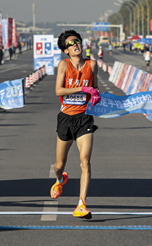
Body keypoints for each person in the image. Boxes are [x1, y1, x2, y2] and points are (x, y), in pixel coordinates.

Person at [51, 30, 100, 220]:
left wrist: (95, 94)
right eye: (71, 44)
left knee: (85, 161)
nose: (76, 45)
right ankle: (59, 179)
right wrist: (82, 88)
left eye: (77, 41)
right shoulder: (63, 65)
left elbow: (96, 88)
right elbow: (58, 90)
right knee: (59, 164)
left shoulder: (92, 65)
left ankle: (81, 204)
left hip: (84, 118)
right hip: (65, 119)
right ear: (66, 51)